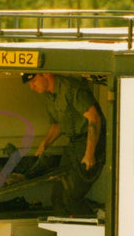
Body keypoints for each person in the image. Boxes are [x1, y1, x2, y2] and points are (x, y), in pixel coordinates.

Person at [22, 72, 106, 215]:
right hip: (73, 144)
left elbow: (94, 118)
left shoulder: (72, 89)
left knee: (71, 197)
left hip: (90, 143)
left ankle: (93, 230)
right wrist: (44, 145)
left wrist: (89, 154)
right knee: (57, 197)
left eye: (34, 81)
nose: (32, 87)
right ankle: (66, 233)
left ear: (46, 74)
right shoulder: (50, 95)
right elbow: (58, 125)